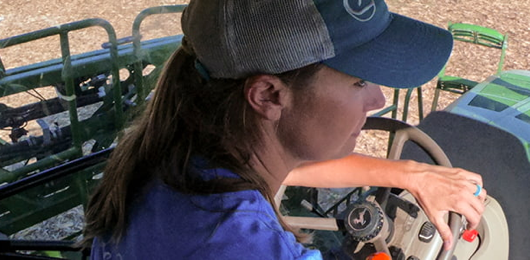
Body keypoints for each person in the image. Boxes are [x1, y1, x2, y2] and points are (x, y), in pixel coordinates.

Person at [83, 0, 487, 259]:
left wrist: (407, 173)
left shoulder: (176, 159)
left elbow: (287, 167)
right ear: (268, 96)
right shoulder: (245, 245)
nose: (379, 100)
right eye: (360, 82)